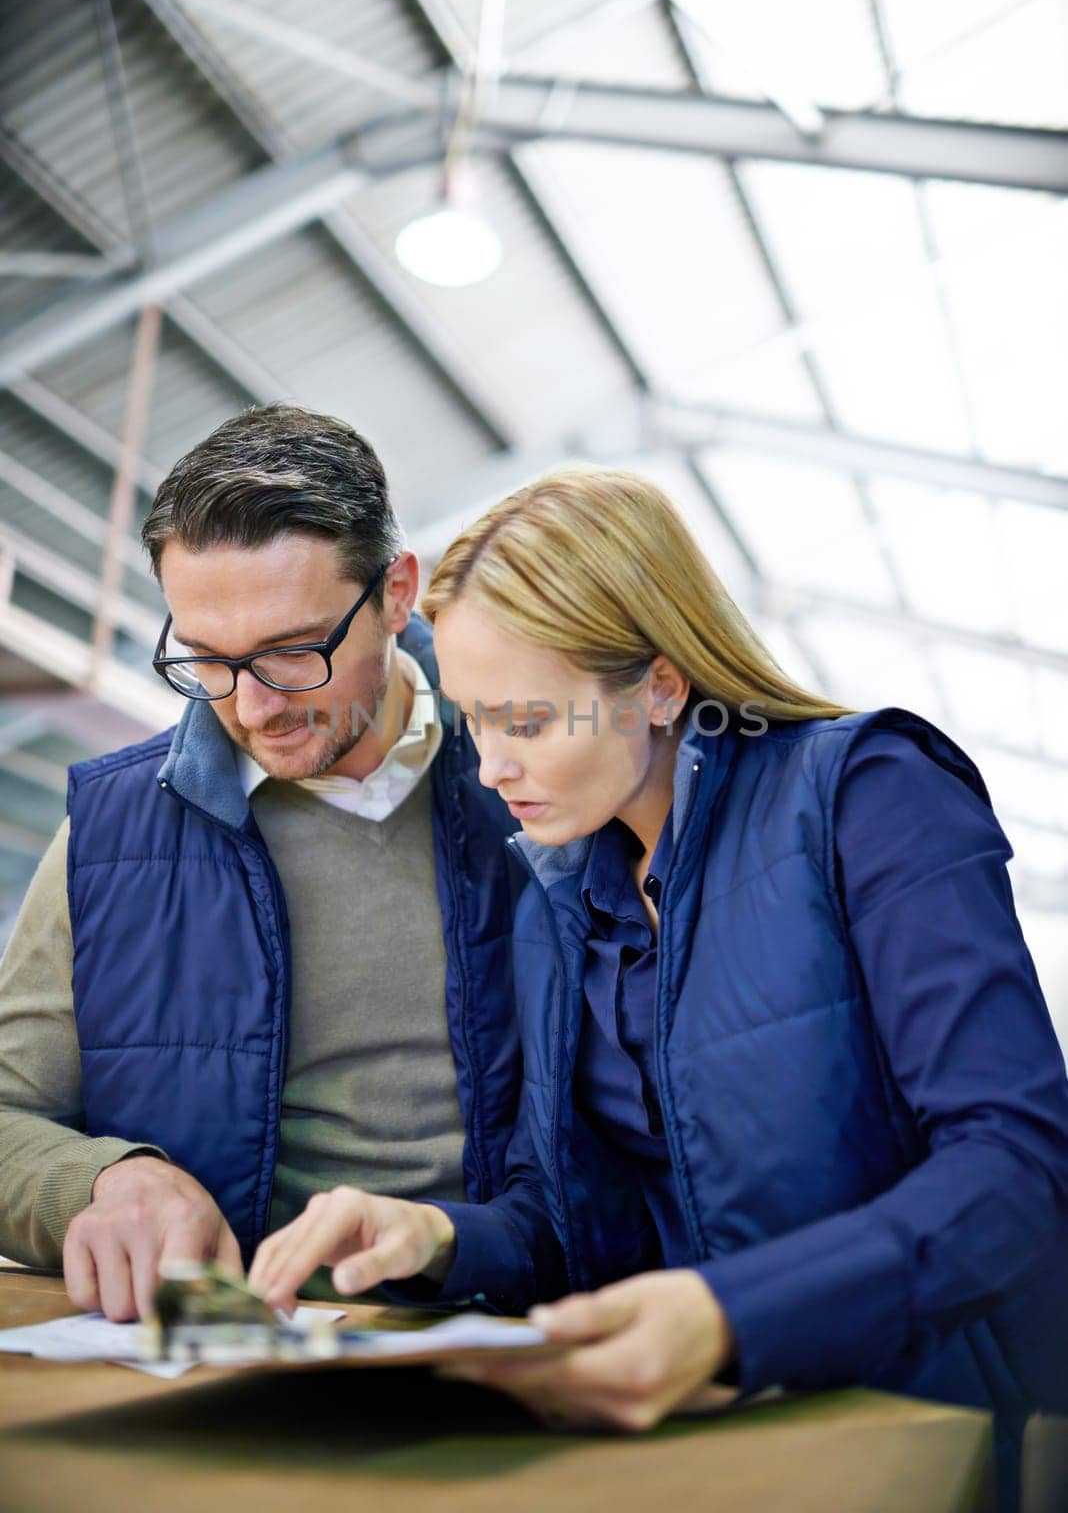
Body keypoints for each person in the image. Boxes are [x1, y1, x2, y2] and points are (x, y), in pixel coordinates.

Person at [250, 465, 1068, 1501]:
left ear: (662, 685)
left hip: (931, 1429)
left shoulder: (867, 794)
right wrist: (440, 1235)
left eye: (528, 720)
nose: (490, 767)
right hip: (697, 1438)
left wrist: (730, 1316)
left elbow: (1018, 1169)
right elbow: (577, 1221)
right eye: (473, 719)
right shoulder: (557, 892)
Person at [0, 403, 525, 1321]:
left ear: (397, 592)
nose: (249, 706)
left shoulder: (537, 787)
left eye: (292, 653)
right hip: (230, 1355)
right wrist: (101, 1181)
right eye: (206, 658)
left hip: (503, 1325)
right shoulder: (111, 831)